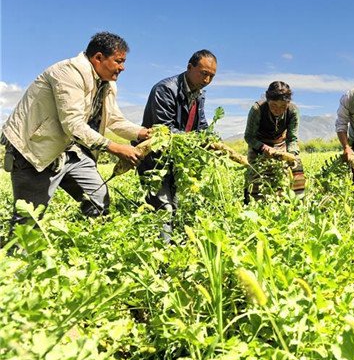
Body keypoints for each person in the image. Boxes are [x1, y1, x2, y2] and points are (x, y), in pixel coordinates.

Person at [1, 32, 149, 237]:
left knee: (98, 200)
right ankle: (16, 256)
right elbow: (73, 124)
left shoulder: (107, 84)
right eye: (118, 61)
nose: (122, 67)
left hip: (70, 151)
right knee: (28, 222)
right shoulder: (68, 73)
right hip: (35, 150)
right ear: (98, 58)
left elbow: (114, 119)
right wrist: (116, 148)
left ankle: (91, 244)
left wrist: (142, 133)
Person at [138, 50, 217, 238]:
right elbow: (164, 128)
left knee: (173, 205)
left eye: (211, 76)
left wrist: (212, 140)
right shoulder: (165, 89)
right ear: (189, 67)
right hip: (156, 160)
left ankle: (169, 247)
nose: (207, 80)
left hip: (175, 159)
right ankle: (161, 251)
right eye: (203, 73)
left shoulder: (198, 94)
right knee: (164, 208)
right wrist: (197, 141)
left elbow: (201, 124)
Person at [243, 81, 303, 202]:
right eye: (274, 105)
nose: (278, 110)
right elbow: (249, 137)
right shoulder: (257, 109)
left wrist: (291, 155)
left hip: (280, 143)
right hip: (259, 144)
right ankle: (252, 203)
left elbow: (292, 138)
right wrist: (263, 148)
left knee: (295, 169)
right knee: (256, 176)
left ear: (288, 103)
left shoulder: (292, 111)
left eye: (283, 106)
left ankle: (297, 202)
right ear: (268, 100)